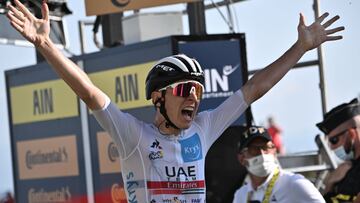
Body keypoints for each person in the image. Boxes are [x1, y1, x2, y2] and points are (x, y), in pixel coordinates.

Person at [6, 0, 344, 202]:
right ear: (158, 98)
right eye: (184, 90)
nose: (194, 100)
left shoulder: (203, 127)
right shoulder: (133, 135)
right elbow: (89, 92)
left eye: (198, 92)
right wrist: (46, 45)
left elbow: (255, 88)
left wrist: (300, 48)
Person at [233, 126, 325, 203]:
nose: (262, 153)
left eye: (266, 147)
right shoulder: (241, 195)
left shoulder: (295, 184)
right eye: (254, 149)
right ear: (242, 159)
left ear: (274, 151)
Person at [316, 98, 360, 203]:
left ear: (351, 134)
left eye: (334, 140)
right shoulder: (347, 169)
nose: (331, 147)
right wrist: (330, 184)